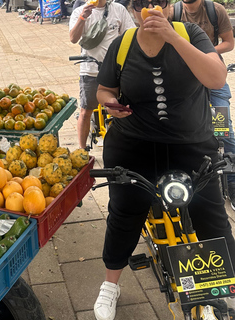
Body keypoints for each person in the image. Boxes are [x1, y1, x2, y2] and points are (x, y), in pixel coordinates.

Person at [94, 1, 235, 319]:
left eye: (155, 2)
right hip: (133, 146)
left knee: (211, 219)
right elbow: (103, 90)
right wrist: (110, 103)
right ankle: (110, 285)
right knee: (125, 214)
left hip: (191, 146)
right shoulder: (123, 44)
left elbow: (215, 79)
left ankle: (217, 290)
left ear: (169, 8)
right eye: (140, 4)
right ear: (132, 10)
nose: (148, 9)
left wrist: (173, 37)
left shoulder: (192, 33)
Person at [170, 0, 235, 211]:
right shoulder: (173, 12)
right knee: (184, 131)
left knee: (223, 131)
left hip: (214, 81)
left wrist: (204, 53)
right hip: (185, 83)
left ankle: (233, 184)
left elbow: (229, 42)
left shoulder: (215, 11)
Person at [69, 0, 135, 150]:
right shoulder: (79, 11)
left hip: (114, 70)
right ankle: (82, 149)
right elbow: (73, 38)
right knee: (86, 111)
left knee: (121, 107)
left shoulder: (118, 9)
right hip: (90, 69)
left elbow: (130, 35)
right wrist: (82, 18)